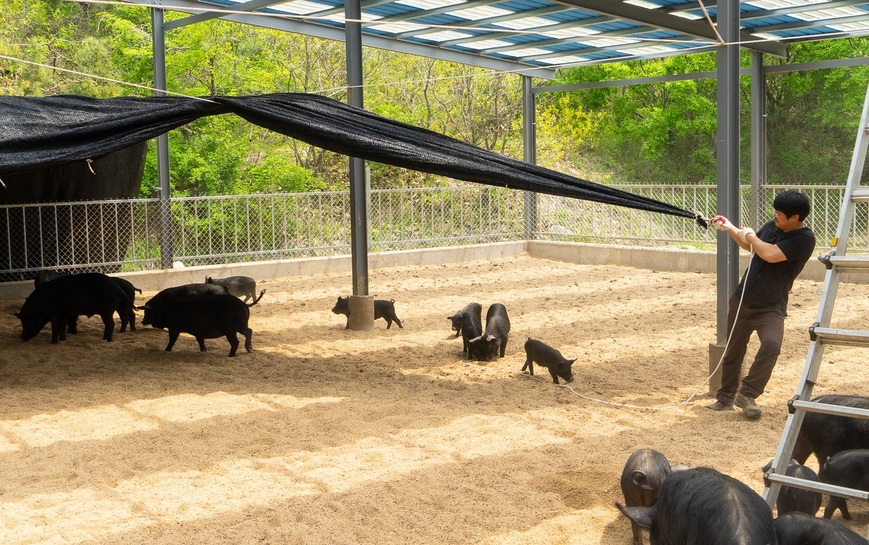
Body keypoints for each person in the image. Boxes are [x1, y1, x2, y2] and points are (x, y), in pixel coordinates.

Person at [707, 190, 816, 419]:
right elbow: (752, 247)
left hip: (771, 307)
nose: (774, 215)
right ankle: (725, 398)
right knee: (733, 351)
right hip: (743, 300)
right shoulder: (773, 226)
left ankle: (747, 394)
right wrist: (730, 228)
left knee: (771, 346)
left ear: (795, 217)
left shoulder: (803, 239)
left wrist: (750, 236)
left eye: (779, 213)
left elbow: (769, 254)